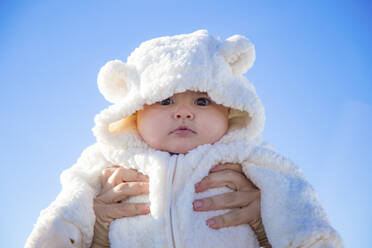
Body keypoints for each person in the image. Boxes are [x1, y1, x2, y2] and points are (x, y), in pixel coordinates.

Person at [25, 30, 343, 248]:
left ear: (230, 108)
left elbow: (299, 212)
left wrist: (269, 230)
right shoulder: (106, 164)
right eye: (165, 100)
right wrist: (90, 234)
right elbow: (66, 211)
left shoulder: (250, 157)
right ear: (134, 111)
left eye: (202, 101)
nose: (184, 113)